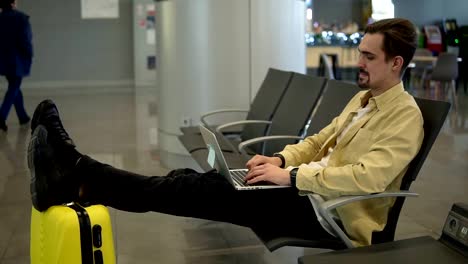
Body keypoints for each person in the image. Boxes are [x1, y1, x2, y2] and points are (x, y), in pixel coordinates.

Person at [27, 18, 423, 247]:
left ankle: (78, 174)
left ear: (396, 63)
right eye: (361, 54)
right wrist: (282, 160)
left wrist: (292, 176)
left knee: (194, 189)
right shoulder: (363, 100)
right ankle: (77, 181)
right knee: (188, 180)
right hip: (306, 194)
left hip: (329, 218)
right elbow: (319, 141)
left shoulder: (405, 117)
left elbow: (367, 177)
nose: (360, 63)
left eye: (369, 57)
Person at [0, 0, 33, 132]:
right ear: (13, 3)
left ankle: (23, 116)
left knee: (14, 86)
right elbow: (26, 39)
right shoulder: (21, 18)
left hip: (3, 60)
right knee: (14, 86)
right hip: (17, 59)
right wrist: (29, 55)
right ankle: (1, 115)